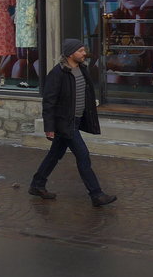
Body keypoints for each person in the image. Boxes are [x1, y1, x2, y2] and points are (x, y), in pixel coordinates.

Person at [30, 39, 117, 206]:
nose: (84, 53)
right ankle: (96, 194)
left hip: (76, 120)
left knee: (54, 155)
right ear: (70, 54)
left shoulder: (82, 69)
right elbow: (49, 102)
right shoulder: (57, 73)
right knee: (83, 155)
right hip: (65, 122)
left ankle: (37, 184)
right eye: (81, 51)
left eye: (84, 50)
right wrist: (49, 127)